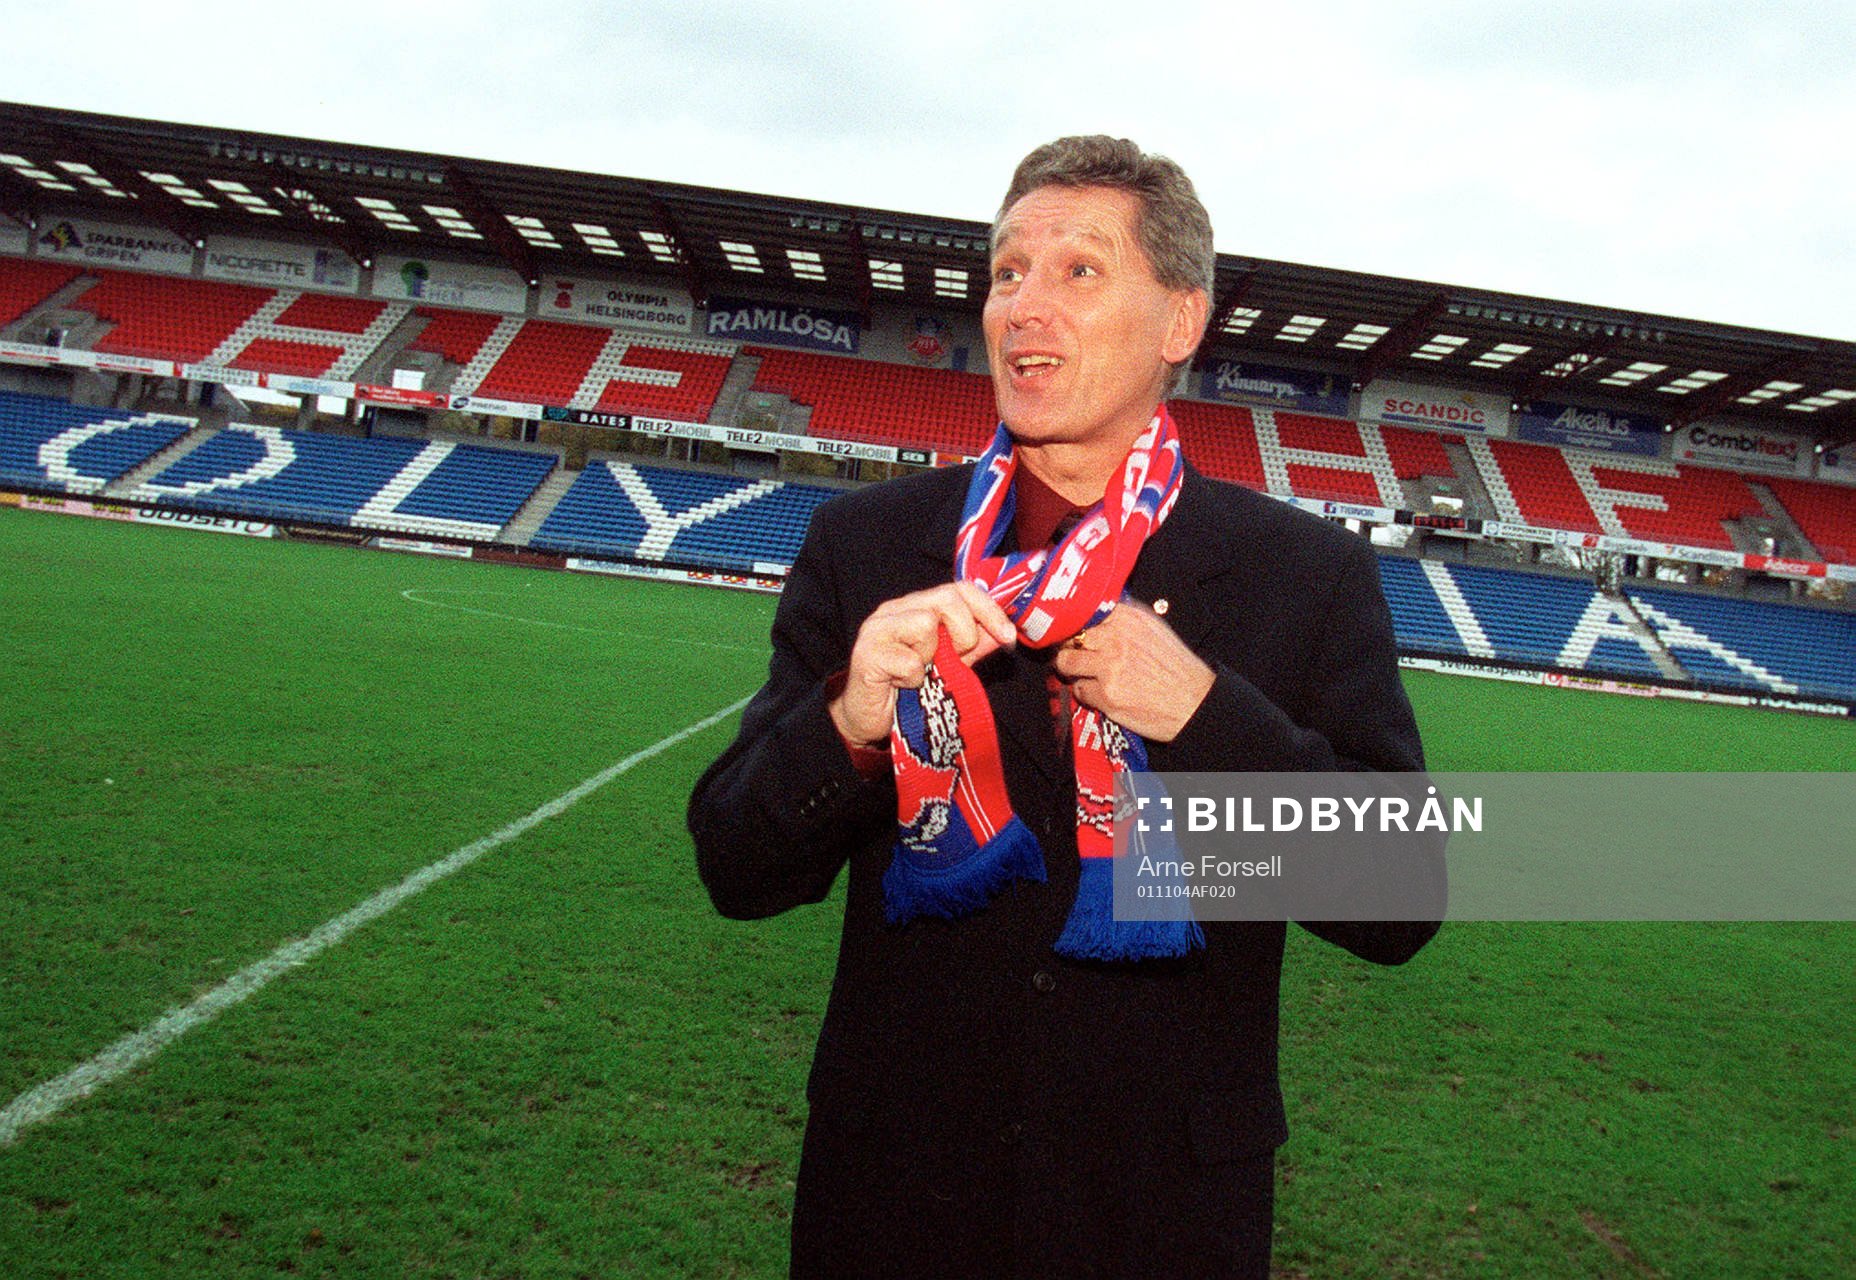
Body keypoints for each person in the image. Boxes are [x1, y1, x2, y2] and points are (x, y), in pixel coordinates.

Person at [688, 135, 1439, 1279]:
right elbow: (737, 870)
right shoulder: (872, 544)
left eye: (1077, 271)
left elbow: (1395, 900)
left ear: (1179, 322)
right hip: (891, 1202)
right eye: (1004, 272)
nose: (1022, 307)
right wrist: (845, 719)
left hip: (1158, 1217)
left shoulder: (1302, 573)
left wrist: (1202, 713)